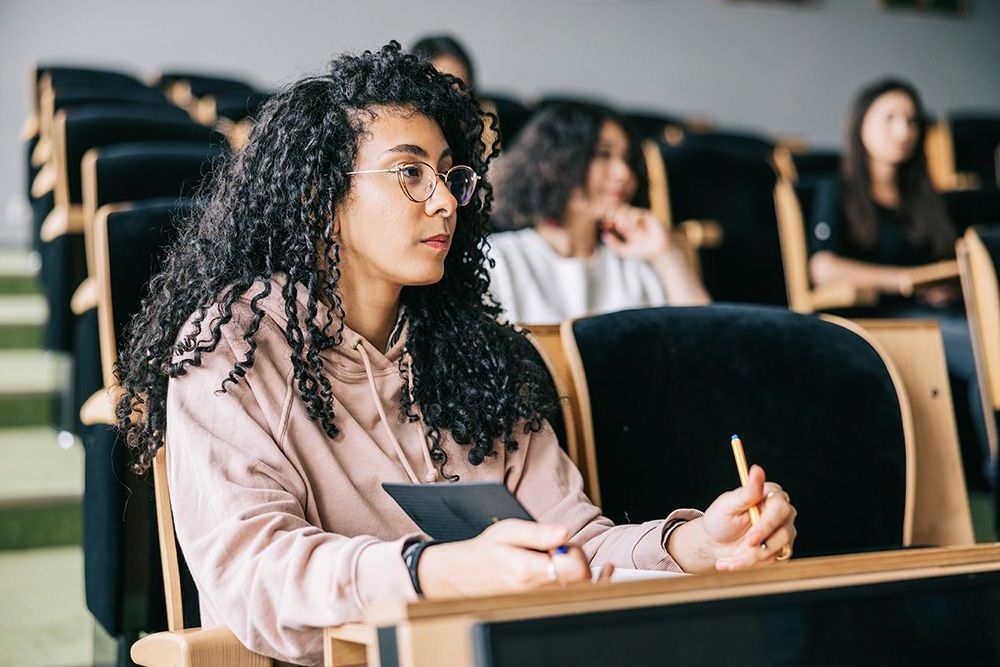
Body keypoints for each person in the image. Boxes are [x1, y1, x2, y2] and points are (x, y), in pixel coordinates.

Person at [116, 43, 796, 666]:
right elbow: (256, 575)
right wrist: (432, 571)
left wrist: (693, 545)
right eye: (410, 172)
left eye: (448, 175)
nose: (445, 201)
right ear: (320, 194)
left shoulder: (478, 353)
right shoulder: (232, 350)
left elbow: (572, 543)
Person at [808, 77, 988, 481]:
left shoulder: (922, 195)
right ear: (860, 124)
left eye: (911, 120)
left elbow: (942, 261)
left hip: (937, 314)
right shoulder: (838, 189)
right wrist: (905, 279)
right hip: (880, 317)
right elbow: (824, 267)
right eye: (890, 118)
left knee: (988, 339)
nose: (904, 130)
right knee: (986, 351)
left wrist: (944, 284)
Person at [487, 102, 709, 325]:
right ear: (554, 161)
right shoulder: (498, 260)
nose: (624, 173)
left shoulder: (636, 268)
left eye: (628, 159)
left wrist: (666, 254)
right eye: (603, 154)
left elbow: (704, 335)